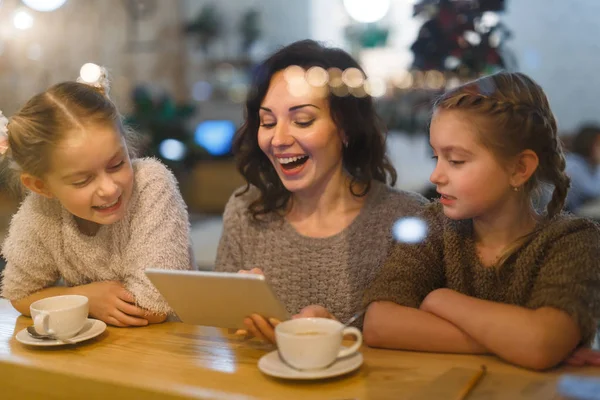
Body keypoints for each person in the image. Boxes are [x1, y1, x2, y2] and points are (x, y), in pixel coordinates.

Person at [363, 72, 600, 370]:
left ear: (519, 168)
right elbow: (379, 322)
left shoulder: (572, 242)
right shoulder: (435, 227)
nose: (435, 176)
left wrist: (441, 299)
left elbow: (541, 343)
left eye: (456, 160)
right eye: (436, 156)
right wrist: (508, 343)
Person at [215, 40, 426, 343]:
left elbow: (425, 350)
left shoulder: (404, 217)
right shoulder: (245, 211)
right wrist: (232, 312)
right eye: (268, 122)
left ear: (347, 129)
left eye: (303, 120)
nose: (279, 139)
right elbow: (220, 334)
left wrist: (343, 338)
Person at [0, 68, 194, 327]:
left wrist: (64, 300)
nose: (109, 189)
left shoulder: (151, 183)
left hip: (169, 346)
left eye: (117, 165)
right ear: (40, 186)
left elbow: (155, 304)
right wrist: (84, 298)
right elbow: (19, 294)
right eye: (83, 180)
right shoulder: (41, 209)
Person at [565, 124, 600, 213]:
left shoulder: (591, 165)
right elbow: (592, 192)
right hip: (569, 215)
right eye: (598, 144)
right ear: (587, 144)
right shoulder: (572, 164)